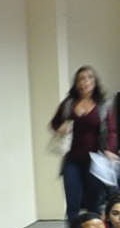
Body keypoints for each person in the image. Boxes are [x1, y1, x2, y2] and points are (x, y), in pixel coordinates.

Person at [49, 65, 115, 219]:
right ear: (76, 83)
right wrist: (60, 128)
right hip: (72, 161)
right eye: (81, 79)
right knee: (73, 204)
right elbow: (54, 123)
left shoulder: (103, 105)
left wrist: (109, 149)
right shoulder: (69, 104)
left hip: (95, 161)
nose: (85, 82)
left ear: (95, 82)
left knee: (94, 204)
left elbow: (112, 130)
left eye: (89, 78)